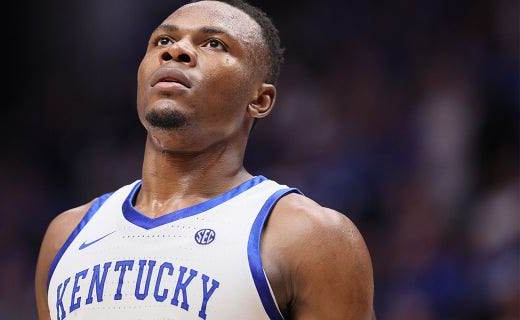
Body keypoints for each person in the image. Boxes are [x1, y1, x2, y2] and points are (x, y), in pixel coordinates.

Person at [35, 0, 375, 319]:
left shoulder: (311, 238)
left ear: (260, 99)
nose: (175, 50)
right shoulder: (66, 235)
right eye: (162, 40)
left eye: (214, 44)